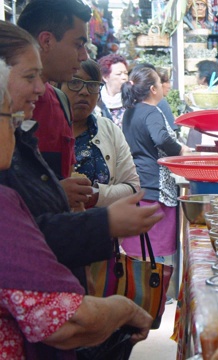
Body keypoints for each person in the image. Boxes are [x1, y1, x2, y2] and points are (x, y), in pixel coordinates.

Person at [0, 58, 154, 359]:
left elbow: (132, 185)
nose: (16, 129)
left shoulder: (107, 129)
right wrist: (124, 308)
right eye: (10, 117)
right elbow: (68, 320)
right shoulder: (4, 206)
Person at [0, 21, 162, 291]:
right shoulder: (37, 123)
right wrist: (102, 221)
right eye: (31, 77)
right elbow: (26, 237)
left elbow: (132, 186)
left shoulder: (104, 129)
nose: (40, 89)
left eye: (93, 86)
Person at [120, 66, 190, 262]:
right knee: (153, 256)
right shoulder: (152, 112)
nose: (162, 87)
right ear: (152, 89)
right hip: (154, 187)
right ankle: (156, 292)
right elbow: (160, 139)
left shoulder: (130, 112)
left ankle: (138, 291)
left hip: (136, 182)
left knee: (137, 254)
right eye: (160, 83)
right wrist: (180, 150)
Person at [17, 0, 91, 180]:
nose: (84, 56)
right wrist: (55, 194)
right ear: (47, 41)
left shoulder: (61, 101)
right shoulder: (8, 101)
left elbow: (67, 172)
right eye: (78, 45)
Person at [61, 59, 140, 207]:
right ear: (57, 87)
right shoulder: (43, 129)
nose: (84, 92)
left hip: (102, 226)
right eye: (75, 82)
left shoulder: (108, 130)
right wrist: (57, 193)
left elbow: (132, 187)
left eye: (92, 85)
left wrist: (96, 196)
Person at [97, 53, 129, 127]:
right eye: (119, 74)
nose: (124, 77)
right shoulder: (97, 99)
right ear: (105, 77)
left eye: (126, 73)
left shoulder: (132, 99)